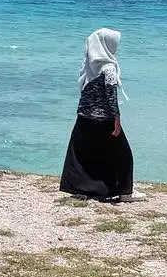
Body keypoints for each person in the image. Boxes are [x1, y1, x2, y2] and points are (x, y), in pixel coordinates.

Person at [59, 28, 142, 203]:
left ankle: (84, 189)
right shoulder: (109, 67)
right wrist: (117, 119)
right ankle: (125, 192)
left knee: (84, 155)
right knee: (123, 155)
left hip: (84, 116)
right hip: (104, 119)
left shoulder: (88, 64)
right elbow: (111, 96)